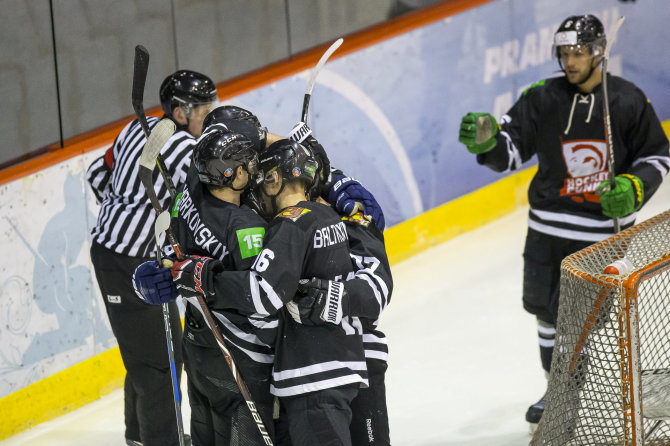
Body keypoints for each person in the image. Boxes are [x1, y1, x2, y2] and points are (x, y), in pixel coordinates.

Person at [457, 14, 670, 428]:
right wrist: (487, 142)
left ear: (598, 53)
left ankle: (565, 389)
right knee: (546, 314)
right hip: (546, 230)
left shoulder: (627, 100)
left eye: (579, 52)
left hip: (600, 237)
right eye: (565, 53)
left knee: (574, 321)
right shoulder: (541, 97)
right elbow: (510, 151)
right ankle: (557, 387)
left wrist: (634, 187)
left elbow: (657, 156)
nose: (570, 61)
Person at [86, 69, 217, 446]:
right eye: (204, 110)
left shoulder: (133, 127)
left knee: (153, 352)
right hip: (124, 263)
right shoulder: (181, 148)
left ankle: (139, 436)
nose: (209, 117)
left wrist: (124, 209)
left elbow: (99, 175)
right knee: (158, 364)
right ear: (180, 112)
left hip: (123, 256)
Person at [134, 126, 276, 445]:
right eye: (246, 166)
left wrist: (163, 270)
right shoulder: (246, 225)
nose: (251, 171)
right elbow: (256, 294)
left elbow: (172, 257)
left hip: (197, 351)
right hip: (239, 358)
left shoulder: (188, 196)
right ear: (234, 174)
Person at [291, 207, 393, 445]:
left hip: (363, 360)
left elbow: (379, 285)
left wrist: (338, 297)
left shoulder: (346, 207)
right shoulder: (285, 223)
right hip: (316, 369)